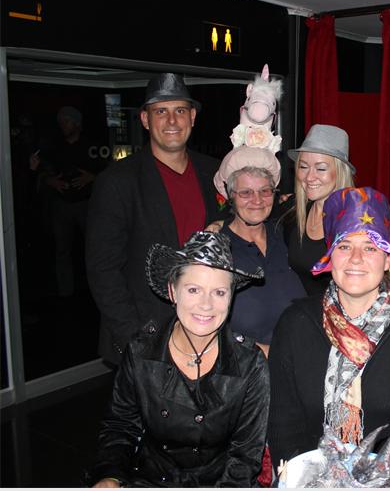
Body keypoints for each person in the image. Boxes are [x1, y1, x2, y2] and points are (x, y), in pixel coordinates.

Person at [268, 187, 390, 487]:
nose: (355, 259)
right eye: (344, 246)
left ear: (388, 260)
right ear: (330, 257)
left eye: (370, 248)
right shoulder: (295, 324)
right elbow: (283, 424)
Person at [91, 231, 269, 487]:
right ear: (173, 292)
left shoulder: (250, 364)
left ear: (231, 298)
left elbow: (244, 457)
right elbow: (120, 426)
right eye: (194, 289)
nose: (206, 305)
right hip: (152, 481)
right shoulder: (141, 352)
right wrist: (110, 475)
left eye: (219, 292)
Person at [86, 74, 222, 366]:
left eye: (180, 110)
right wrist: (137, 342)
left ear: (192, 117)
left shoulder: (215, 172)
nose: (172, 120)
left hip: (209, 329)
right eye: (161, 111)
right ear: (145, 120)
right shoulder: (118, 182)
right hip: (148, 338)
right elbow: (103, 271)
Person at [213, 146, 306, 358]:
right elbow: (200, 318)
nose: (257, 200)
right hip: (246, 369)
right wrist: (253, 350)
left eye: (265, 191)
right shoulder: (218, 247)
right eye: (246, 192)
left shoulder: (286, 233)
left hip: (300, 360)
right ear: (231, 196)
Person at [35, 106, 106, 297]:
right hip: (62, 204)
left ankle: (96, 290)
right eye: (61, 121)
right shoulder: (54, 148)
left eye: (67, 121)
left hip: (86, 204)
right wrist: (50, 181)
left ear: (76, 123)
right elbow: (42, 171)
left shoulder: (91, 147)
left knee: (94, 248)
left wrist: (92, 177)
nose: (63, 124)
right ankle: (65, 292)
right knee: (62, 250)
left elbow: (109, 170)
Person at [281, 124, 355, 298]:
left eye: (321, 168)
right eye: (303, 167)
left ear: (340, 172)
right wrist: (221, 222)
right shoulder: (292, 210)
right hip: (302, 311)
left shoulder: (355, 222)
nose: (309, 177)